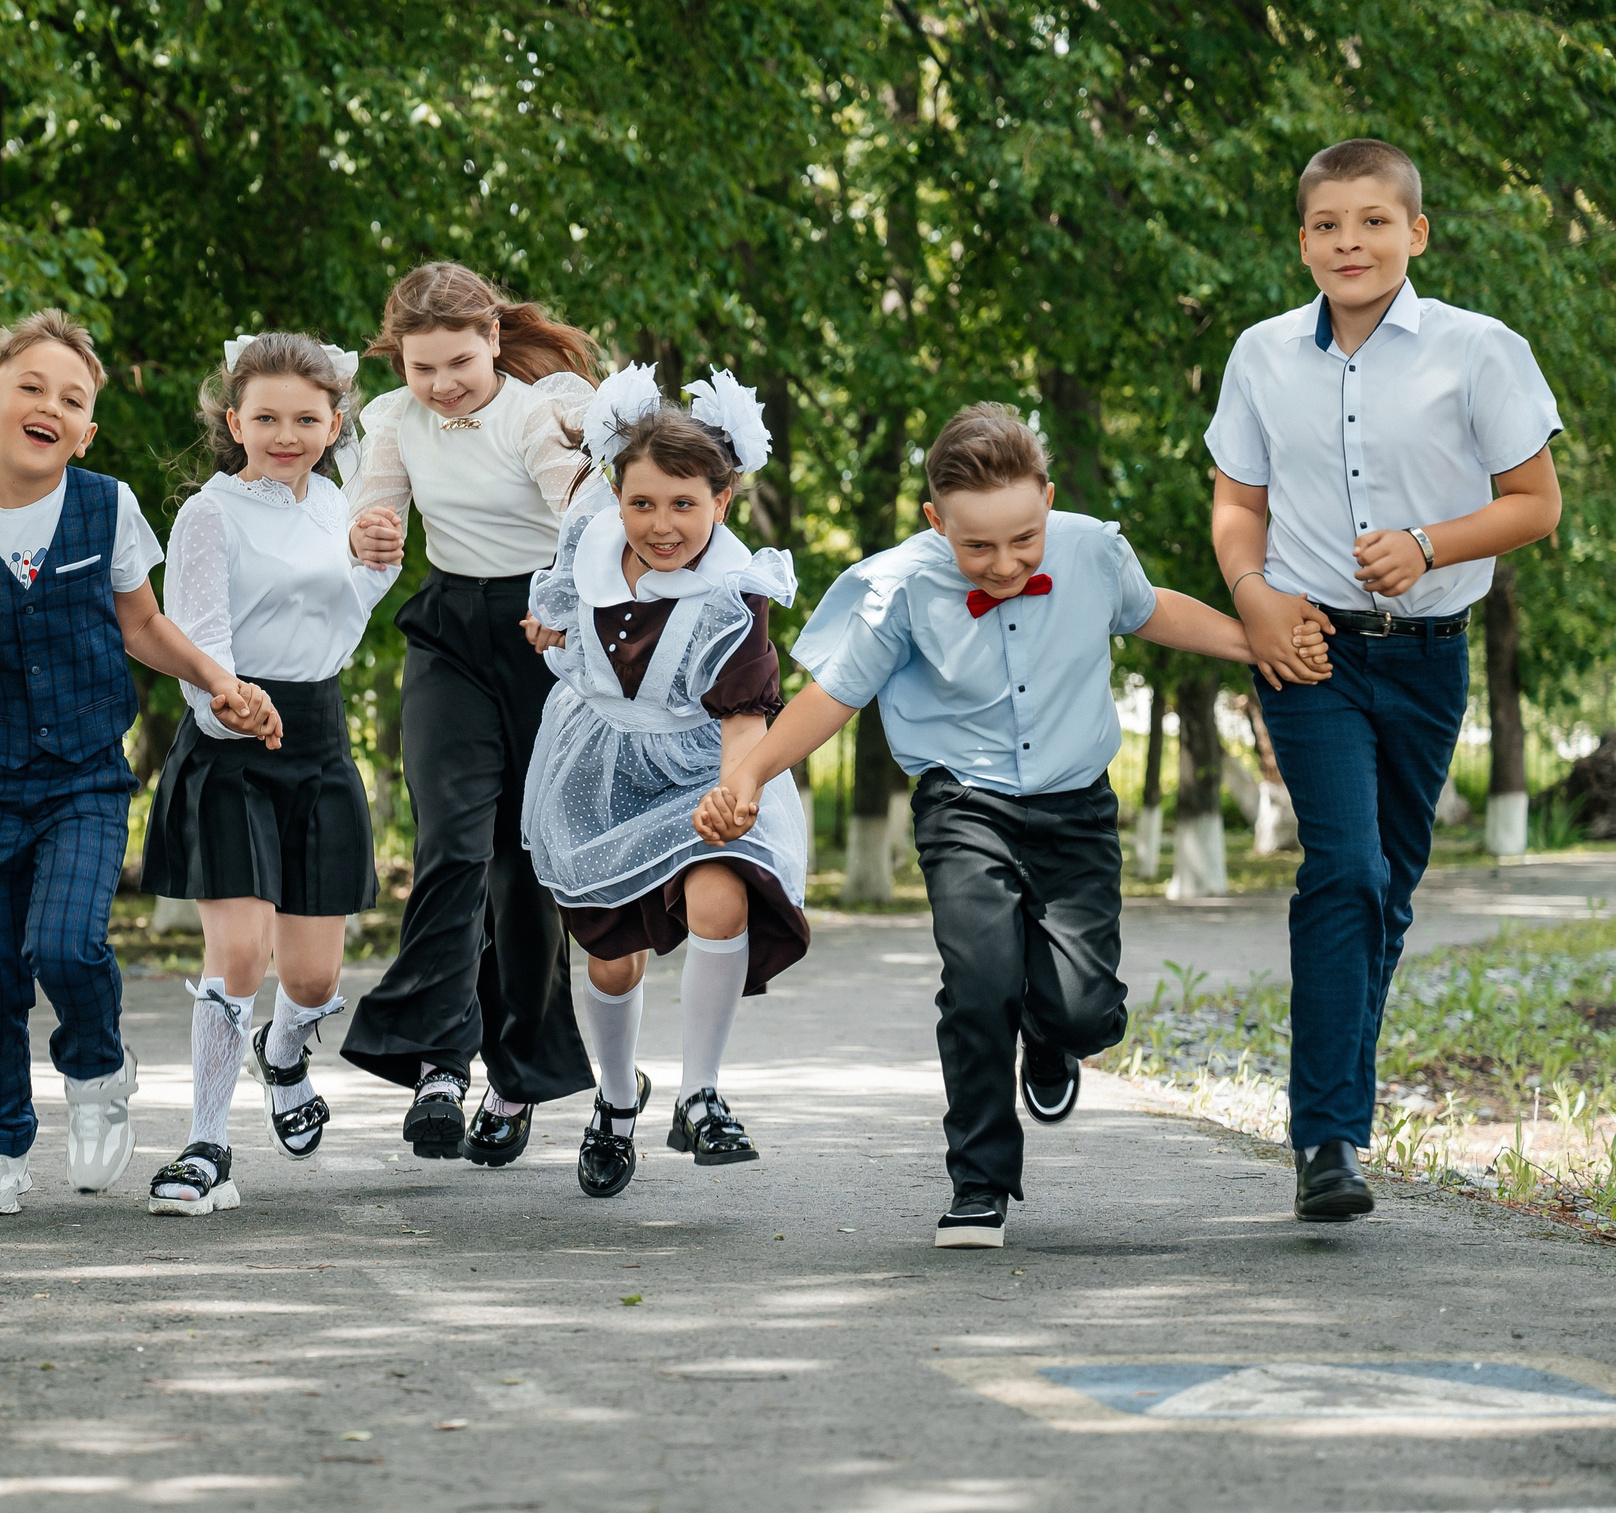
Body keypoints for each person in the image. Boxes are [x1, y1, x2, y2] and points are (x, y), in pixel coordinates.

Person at [696, 404, 1329, 1249]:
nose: (1004, 563)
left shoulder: (1090, 549)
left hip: (1075, 808)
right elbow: (830, 700)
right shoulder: (903, 585)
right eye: (978, 546)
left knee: (1085, 1011)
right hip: (965, 807)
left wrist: (1259, 643)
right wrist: (747, 773)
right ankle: (979, 1183)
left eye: (1023, 539)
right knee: (978, 983)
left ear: (1049, 500)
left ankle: (1053, 1038)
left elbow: (1155, 613)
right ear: (935, 521)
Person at [1208, 138, 1563, 1224]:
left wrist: (1427, 543)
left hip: (1423, 656)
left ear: (1415, 232)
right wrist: (1252, 595)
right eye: (1326, 224)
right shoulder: (1261, 355)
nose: (1347, 242)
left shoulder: (1479, 349)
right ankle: (1326, 1139)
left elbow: (1534, 503)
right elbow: (1236, 504)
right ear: (1302, 239)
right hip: (1306, 645)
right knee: (1345, 868)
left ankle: (1333, 1117)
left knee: (1385, 891)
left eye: (1371, 221)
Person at [0, 310, 281, 1216]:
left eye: (72, 397)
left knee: (63, 941)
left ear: (87, 428)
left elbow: (144, 626)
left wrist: (219, 680)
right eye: (31, 387)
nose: (49, 404)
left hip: (86, 772)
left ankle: (97, 1070)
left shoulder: (108, 504)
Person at [337, 262, 606, 1167]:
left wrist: (572, 587)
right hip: (450, 632)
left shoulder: (531, 412)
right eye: (423, 367)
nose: (443, 383)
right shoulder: (391, 419)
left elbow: (579, 500)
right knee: (452, 839)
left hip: (542, 632)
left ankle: (519, 1075)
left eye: (459, 360)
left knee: (523, 863)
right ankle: (438, 1066)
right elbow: (376, 510)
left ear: (493, 337)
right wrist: (369, 530)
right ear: (399, 362)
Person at [522, 366, 811, 1199]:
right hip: (597, 765)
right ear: (616, 494)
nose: (661, 524)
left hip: (701, 768)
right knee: (612, 961)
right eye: (642, 503)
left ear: (723, 501)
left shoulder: (735, 597)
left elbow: (745, 717)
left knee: (722, 892)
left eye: (684, 504)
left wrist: (735, 794)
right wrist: (549, 630)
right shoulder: (586, 547)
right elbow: (568, 630)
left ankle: (701, 1092)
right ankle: (615, 1105)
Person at [140, 334, 399, 1215]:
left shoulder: (339, 504)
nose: (284, 433)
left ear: (333, 424)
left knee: (316, 981)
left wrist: (377, 566)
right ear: (232, 420)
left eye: (305, 418)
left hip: (320, 740)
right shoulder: (209, 513)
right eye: (265, 417)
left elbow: (345, 619)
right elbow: (194, 637)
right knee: (240, 952)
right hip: (232, 740)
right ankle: (204, 1146)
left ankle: (284, 1054)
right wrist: (228, 699)